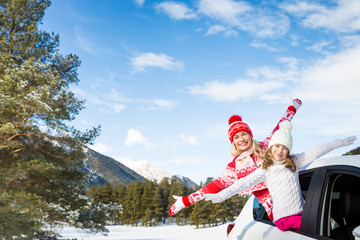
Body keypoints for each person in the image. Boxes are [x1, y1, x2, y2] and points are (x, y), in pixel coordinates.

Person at [204, 120, 356, 231]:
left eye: (284, 148)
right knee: (327, 228)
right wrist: (221, 196)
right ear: (270, 148)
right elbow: (242, 183)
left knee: (329, 225)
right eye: (276, 146)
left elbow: (318, 150)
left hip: (302, 212)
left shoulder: (295, 162)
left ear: (288, 151)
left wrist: (341, 142)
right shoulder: (266, 168)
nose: (279, 150)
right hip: (284, 219)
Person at [169, 99, 303, 221]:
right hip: (273, 205)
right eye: (236, 137)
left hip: (291, 190)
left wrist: (292, 108)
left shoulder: (266, 146)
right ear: (233, 143)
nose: (241, 139)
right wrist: (186, 200)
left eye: (244, 134)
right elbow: (213, 187)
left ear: (250, 136)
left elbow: (281, 125)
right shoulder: (235, 167)